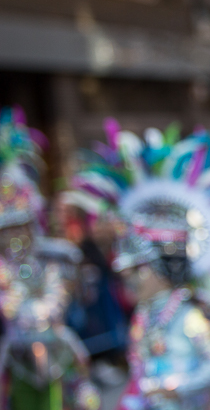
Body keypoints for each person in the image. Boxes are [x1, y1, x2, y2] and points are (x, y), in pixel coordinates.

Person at [64, 125, 210, 410]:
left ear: (162, 270)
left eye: (137, 271)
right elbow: (140, 368)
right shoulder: (144, 318)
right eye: (125, 273)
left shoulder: (191, 313)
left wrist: (177, 388)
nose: (129, 280)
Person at [0, 107, 100, 410]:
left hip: (58, 349)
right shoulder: (3, 268)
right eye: (7, 229)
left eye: (20, 227)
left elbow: (58, 297)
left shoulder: (54, 257)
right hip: (15, 357)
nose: (14, 236)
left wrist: (37, 313)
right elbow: (8, 306)